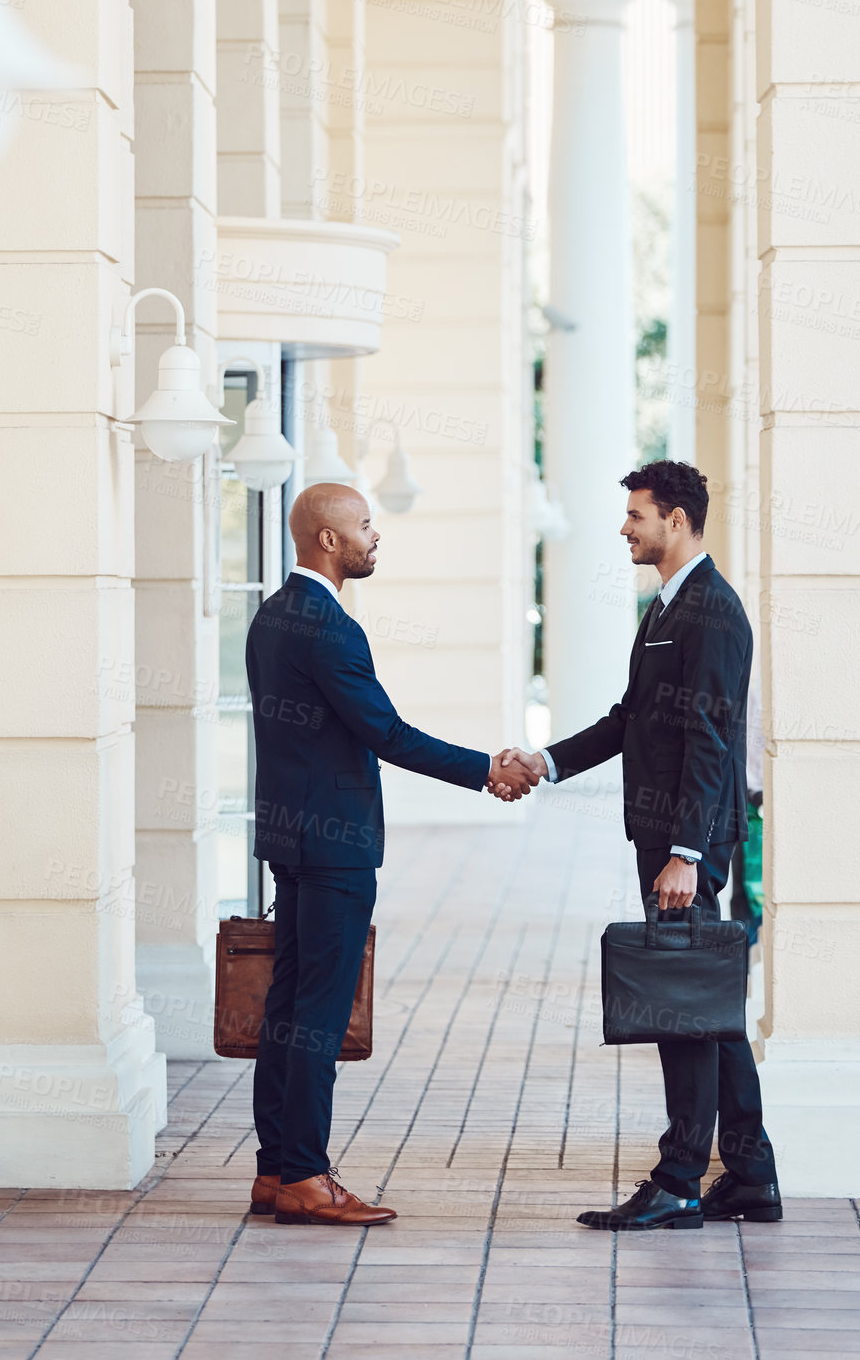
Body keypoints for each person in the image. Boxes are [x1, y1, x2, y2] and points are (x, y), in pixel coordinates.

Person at [505, 460, 781, 1230]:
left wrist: (687, 854)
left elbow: (708, 739)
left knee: (683, 1004)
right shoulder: (668, 607)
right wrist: (547, 760)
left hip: (686, 843)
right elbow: (631, 717)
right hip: (667, 837)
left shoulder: (712, 613)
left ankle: (680, 1180)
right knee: (706, 1000)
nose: (625, 527)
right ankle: (751, 1175)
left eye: (637, 514)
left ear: (679, 520)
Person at [245, 482, 529, 1227]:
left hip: (288, 838)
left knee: (287, 1003)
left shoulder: (271, 615)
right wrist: (485, 769)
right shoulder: (330, 628)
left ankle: (275, 1169)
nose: (377, 537)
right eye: (366, 526)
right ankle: (306, 1175)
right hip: (333, 844)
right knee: (319, 1012)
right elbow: (387, 732)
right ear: (329, 540)